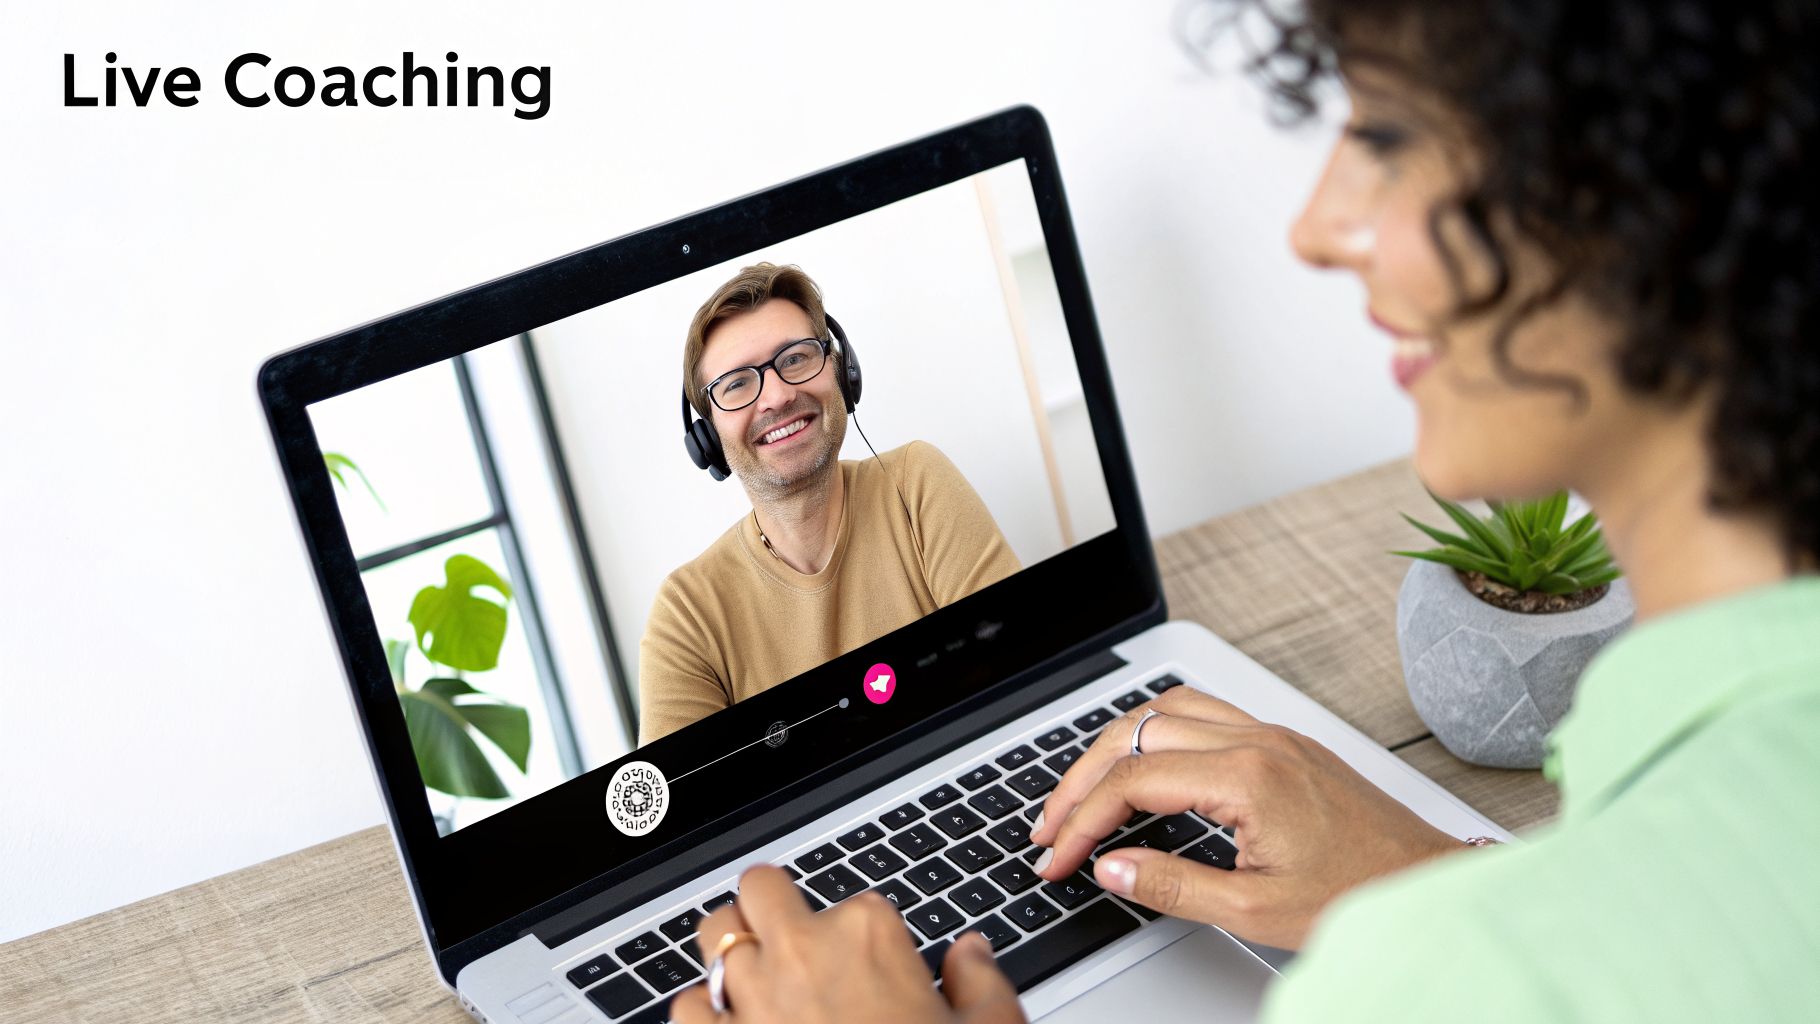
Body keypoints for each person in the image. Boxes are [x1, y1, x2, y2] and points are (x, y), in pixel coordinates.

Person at [670, 1, 1820, 1020]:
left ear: (1641, 167)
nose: (1313, 226)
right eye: (736, 382)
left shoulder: (1433, 982)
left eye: (1385, 135)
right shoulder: (689, 603)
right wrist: (1444, 877)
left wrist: (1453, 940)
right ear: (705, 429)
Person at [638, 263, 1022, 743]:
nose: (776, 396)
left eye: (795, 358)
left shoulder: (915, 482)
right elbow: (694, 807)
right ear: (707, 436)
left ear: (842, 372)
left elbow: (1021, 668)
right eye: (736, 384)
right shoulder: (688, 613)